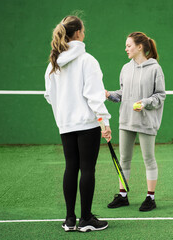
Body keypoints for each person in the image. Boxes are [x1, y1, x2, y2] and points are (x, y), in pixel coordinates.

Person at [44, 15, 112, 232]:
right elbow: (94, 95)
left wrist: (62, 114)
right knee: (87, 169)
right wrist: (104, 122)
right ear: (79, 34)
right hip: (86, 125)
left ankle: (70, 220)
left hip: (65, 125)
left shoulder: (54, 63)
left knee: (71, 168)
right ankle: (86, 219)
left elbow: (49, 95)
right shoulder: (87, 60)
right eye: (83, 30)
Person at [105, 32, 166, 211]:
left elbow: (160, 96)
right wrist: (110, 95)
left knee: (149, 158)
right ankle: (123, 196)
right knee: (124, 159)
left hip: (147, 121)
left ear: (140, 47)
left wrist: (145, 103)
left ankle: (150, 198)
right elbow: (123, 94)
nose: (126, 49)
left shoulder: (155, 69)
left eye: (129, 45)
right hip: (126, 120)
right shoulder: (125, 68)